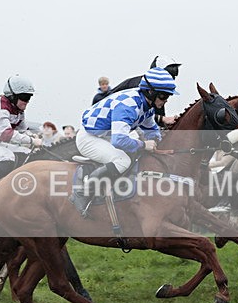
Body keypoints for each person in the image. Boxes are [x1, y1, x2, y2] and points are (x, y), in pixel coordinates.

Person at [72, 66, 177, 217]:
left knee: (135, 152)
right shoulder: (129, 106)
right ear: (150, 92)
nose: (166, 100)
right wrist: (144, 145)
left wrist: (155, 140)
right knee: (123, 161)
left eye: (168, 96)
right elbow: (119, 140)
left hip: (106, 136)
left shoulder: (147, 105)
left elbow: (151, 129)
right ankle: (83, 191)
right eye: (163, 96)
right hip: (90, 138)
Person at [109, 56, 181, 127]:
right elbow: (137, 114)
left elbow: (154, 118)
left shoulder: (158, 91)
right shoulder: (139, 87)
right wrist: (162, 119)